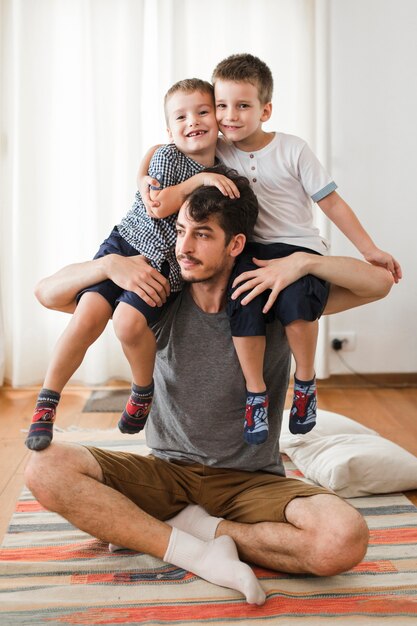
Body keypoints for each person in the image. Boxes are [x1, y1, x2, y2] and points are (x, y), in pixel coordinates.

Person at [26, 172, 393, 604]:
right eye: (181, 231)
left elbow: (379, 283)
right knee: (43, 469)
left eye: (202, 235)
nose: (184, 246)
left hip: (251, 482)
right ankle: (193, 551)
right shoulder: (158, 298)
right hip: (165, 473)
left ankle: (194, 528)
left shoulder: (272, 297)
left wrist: (304, 262)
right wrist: (107, 264)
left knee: (343, 539)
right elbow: (46, 293)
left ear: (235, 244)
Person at [139, 53, 402, 444]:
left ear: (266, 109)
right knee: (243, 304)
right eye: (222, 106)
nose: (230, 116)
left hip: (299, 249)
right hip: (253, 253)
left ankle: (306, 382)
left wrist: (369, 249)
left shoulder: (293, 149)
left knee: (297, 305)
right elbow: (165, 146)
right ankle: (256, 394)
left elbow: (331, 203)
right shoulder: (219, 151)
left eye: (243, 106)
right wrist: (144, 177)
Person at [25, 78, 240, 452]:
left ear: (219, 118)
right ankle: (47, 402)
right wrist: (200, 179)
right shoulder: (170, 158)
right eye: (182, 116)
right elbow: (159, 205)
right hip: (124, 243)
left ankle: (142, 390)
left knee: (127, 322)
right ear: (170, 130)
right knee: (88, 314)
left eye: (203, 111)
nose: (193, 121)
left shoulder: (225, 168)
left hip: (164, 264)